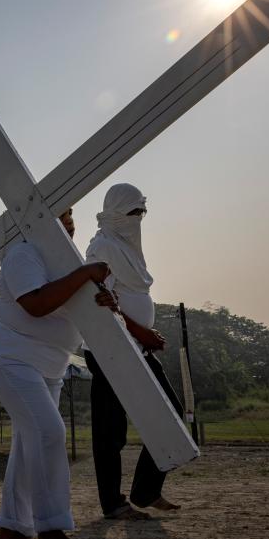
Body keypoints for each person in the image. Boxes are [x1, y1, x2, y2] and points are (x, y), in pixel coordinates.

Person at [0, 209, 115, 539]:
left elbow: (82, 308)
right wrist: (84, 274)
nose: (70, 220)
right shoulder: (22, 253)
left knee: (30, 444)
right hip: (11, 358)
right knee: (48, 433)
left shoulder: (67, 261)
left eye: (71, 214)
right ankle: (51, 525)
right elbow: (36, 305)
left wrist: (105, 302)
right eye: (61, 214)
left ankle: (12, 530)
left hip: (51, 366)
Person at [84, 183, 185, 520]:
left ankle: (146, 490)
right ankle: (113, 503)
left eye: (141, 212)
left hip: (138, 349)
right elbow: (102, 303)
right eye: (132, 213)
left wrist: (142, 337)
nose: (138, 219)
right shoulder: (102, 247)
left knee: (171, 411)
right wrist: (141, 330)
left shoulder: (129, 249)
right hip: (110, 348)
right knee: (111, 431)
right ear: (114, 214)